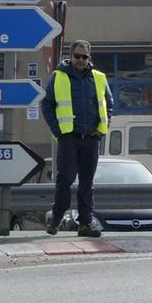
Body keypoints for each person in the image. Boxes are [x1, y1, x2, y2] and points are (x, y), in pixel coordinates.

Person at [42, 39, 112, 237]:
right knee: (65, 179)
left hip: (91, 137)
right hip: (68, 138)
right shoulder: (58, 76)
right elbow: (46, 106)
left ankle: (85, 224)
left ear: (89, 57)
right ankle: (56, 219)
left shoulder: (98, 77)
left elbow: (109, 103)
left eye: (85, 56)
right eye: (77, 56)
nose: (81, 60)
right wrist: (58, 132)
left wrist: (101, 130)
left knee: (87, 182)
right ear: (70, 56)